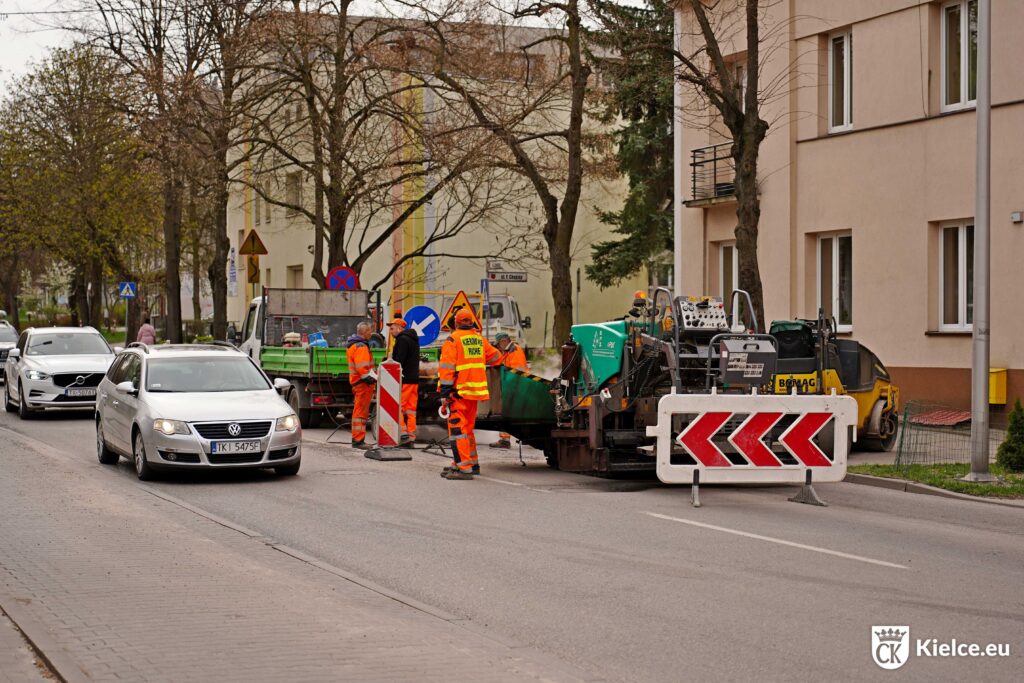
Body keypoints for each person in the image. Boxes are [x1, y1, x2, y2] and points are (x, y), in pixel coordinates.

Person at [438, 307, 502, 480]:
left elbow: (447, 369)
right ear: (472, 323)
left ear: (456, 323)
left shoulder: (453, 340)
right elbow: (497, 358)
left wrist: (444, 393)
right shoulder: (479, 340)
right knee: (466, 430)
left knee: (458, 431)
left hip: (457, 393)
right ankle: (470, 463)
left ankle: (463, 468)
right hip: (474, 394)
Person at [491, 333, 530, 449]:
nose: (498, 347)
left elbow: (516, 372)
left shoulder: (514, 352)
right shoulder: (509, 351)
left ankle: (505, 440)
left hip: (516, 385)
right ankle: (525, 437)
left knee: (507, 412)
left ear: (503, 341)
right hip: (517, 386)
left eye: (498, 344)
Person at [388, 316, 420, 447]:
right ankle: (411, 436)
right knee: (410, 409)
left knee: (399, 407)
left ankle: (403, 434)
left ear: (400, 328)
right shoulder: (413, 340)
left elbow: (399, 361)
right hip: (413, 379)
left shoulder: (402, 340)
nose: (390, 332)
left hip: (405, 379)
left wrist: (389, 362)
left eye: (392, 328)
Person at [346, 322, 377, 449]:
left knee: (359, 411)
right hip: (363, 384)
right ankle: (358, 440)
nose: (371, 333)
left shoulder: (354, 345)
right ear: (364, 332)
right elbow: (363, 368)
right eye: (369, 331)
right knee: (360, 413)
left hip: (358, 383)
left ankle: (358, 439)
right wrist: (371, 379)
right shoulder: (361, 347)